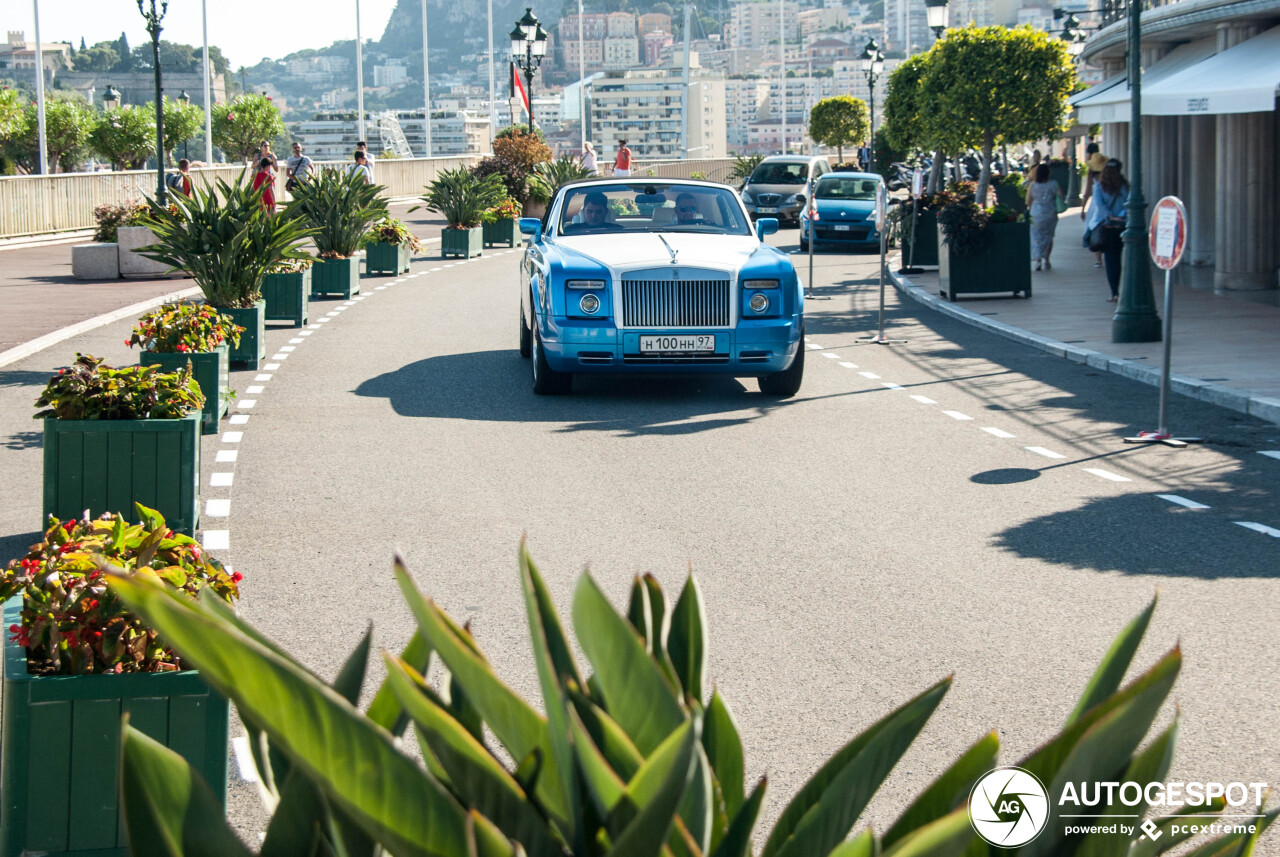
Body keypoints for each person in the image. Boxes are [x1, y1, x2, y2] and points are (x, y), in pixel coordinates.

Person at [1085, 158, 1129, 302]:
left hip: (1107, 226)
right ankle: (1120, 290)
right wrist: (1120, 217)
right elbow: (1127, 203)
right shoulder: (1124, 185)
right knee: (1119, 255)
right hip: (1121, 226)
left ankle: (1114, 292)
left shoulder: (1099, 186)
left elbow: (1100, 205)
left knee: (1111, 260)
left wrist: (1110, 217)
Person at [1025, 163, 1065, 271]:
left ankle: (1038, 259)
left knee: (1036, 237)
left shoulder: (1032, 185)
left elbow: (1029, 200)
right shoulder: (1054, 183)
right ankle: (1047, 260)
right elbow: (1061, 196)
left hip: (1036, 213)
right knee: (1049, 237)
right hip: (1050, 214)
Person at [1081, 149, 1108, 268]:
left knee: (1095, 229)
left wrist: (1083, 208)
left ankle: (1098, 259)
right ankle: (1105, 253)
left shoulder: (1091, 175)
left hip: (1094, 206)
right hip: (1106, 203)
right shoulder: (1108, 175)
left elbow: (1087, 192)